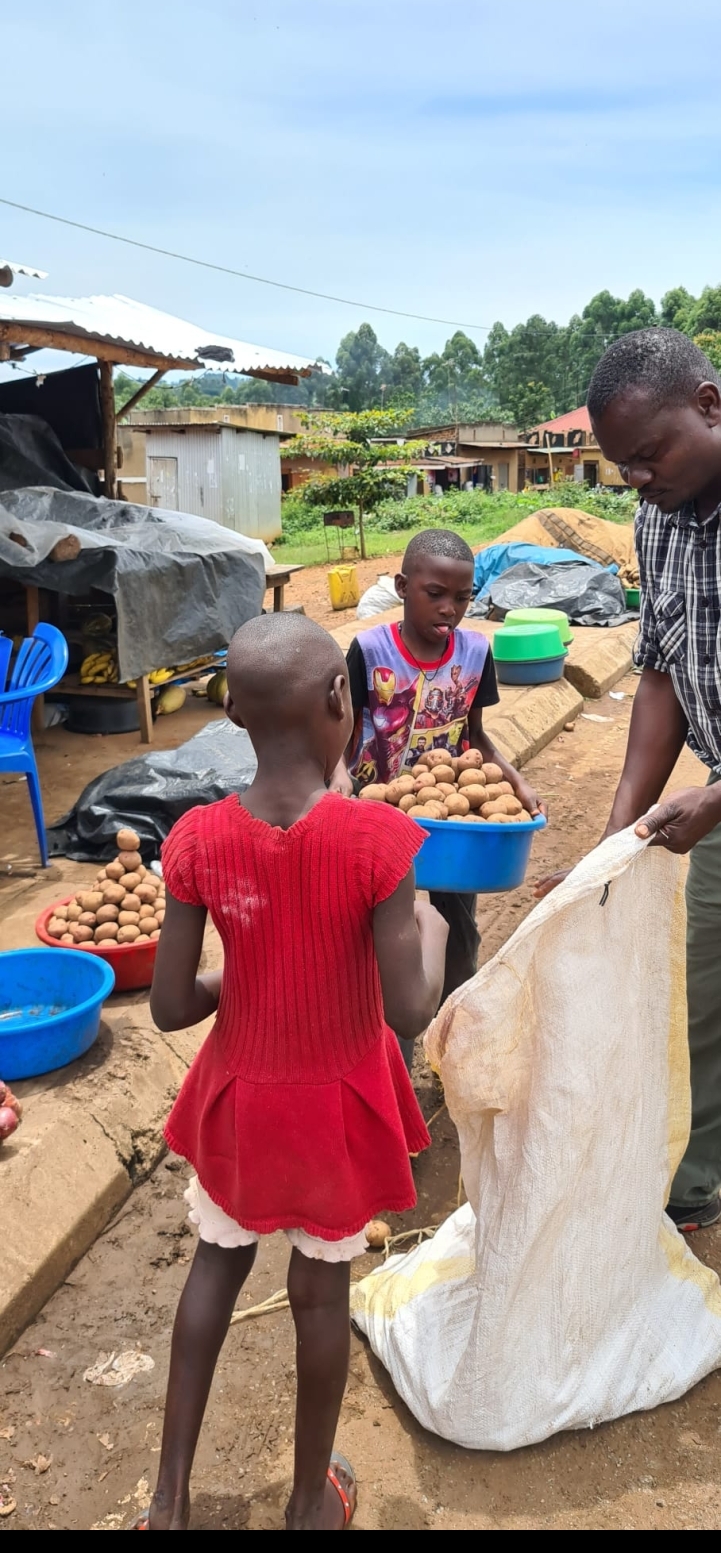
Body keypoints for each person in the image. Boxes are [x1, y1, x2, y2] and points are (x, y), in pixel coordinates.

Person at [136, 613, 448, 1531]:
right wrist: (426, 922)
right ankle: (310, 1500)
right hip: (336, 1111)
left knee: (213, 1272)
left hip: (239, 1099)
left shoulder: (196, 840)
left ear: (230, 711)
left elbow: (168, 1007)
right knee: (318, 1297)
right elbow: (407, 1009)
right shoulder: (377, 843)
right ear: (340, 700)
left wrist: (244, 973)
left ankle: (168, 1500)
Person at [535, 326, 721, 1233]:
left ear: (708, 404)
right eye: (624, 468)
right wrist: (620, 829)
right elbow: (660, 668)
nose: (638, 480)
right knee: (701, 995)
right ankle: (692, 1181)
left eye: (649, 455)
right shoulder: (658, 518)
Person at [330, 528, 545, 1069]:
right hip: (378, 824)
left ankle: (453, 1050)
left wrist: (515, 780)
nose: (450, 608)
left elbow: (475, 735)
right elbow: (341, 727)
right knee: (387, 946)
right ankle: (391, 1069)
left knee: (456, 937)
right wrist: (336, 774)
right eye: (435, 594)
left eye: (463, 596)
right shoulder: (370, 649)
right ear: (403, 587)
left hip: (450, 830)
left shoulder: (475, 653)